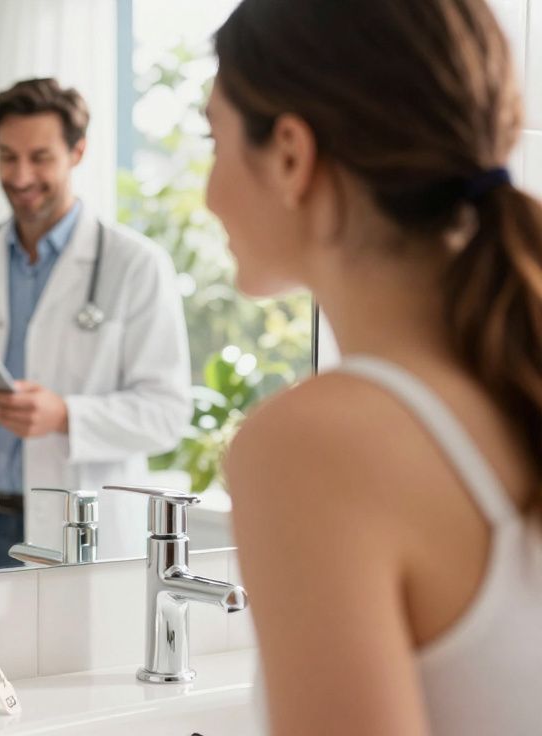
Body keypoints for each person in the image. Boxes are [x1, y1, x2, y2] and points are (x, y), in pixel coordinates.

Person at [209, 1, 542, 733]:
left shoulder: (317, 446)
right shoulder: (511, 387)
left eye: (215, 140)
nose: (208, 193)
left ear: (291, 155)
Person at [0, 78, 191, 573]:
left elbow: (167, 413)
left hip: (79, 530)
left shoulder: (136, 265)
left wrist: (65, 416)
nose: (20, 176)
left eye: (40, 157)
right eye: (7, 156)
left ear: (77, 152)